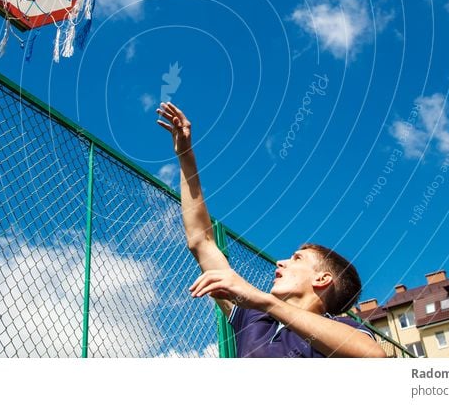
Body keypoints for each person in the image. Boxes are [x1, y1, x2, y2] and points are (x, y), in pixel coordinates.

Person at [156, 101, 386, 358]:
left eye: (297, 258)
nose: (280, 262)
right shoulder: (253, 320)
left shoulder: (342, 329)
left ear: (321, 279)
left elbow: (374, 357)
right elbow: (201, 241)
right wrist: (186, 156)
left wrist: (263, 300)